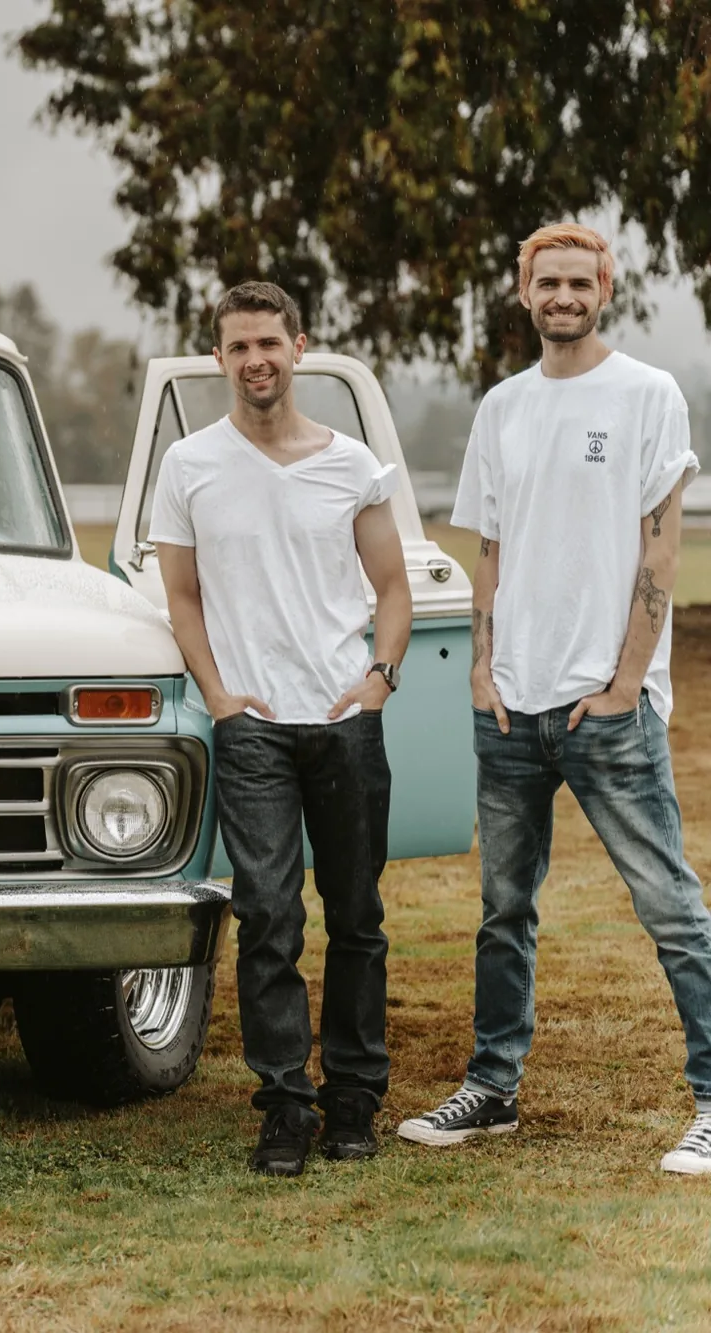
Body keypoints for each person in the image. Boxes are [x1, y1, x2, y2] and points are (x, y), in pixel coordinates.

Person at [397, 224, 711, 1173]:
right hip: (511, 707)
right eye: (549, 282)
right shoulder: (503, 407)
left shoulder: (648, 395)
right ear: (524, 291)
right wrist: (482, 669)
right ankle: (493, 1089)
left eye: (580, 281)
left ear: (605, 289)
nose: (564, 296)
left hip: (606, 709)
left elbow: (662, 549)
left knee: (670, 907)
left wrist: (625, 682)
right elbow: (490, 550)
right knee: (504, 910)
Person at [150, 281, 410, 1177]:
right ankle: (286, 1104)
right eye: (238, 346)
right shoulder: (190, 464)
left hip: (344, 723)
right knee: (267, 916)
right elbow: (181, 597)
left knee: (357, 915)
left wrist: (378, 682)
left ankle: (354, 1096)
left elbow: (393, 589)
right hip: (253, 728)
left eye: (269, 342)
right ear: (218, 358)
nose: (255, 359)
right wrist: (219, 696)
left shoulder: (352, 464)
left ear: (300, 346)